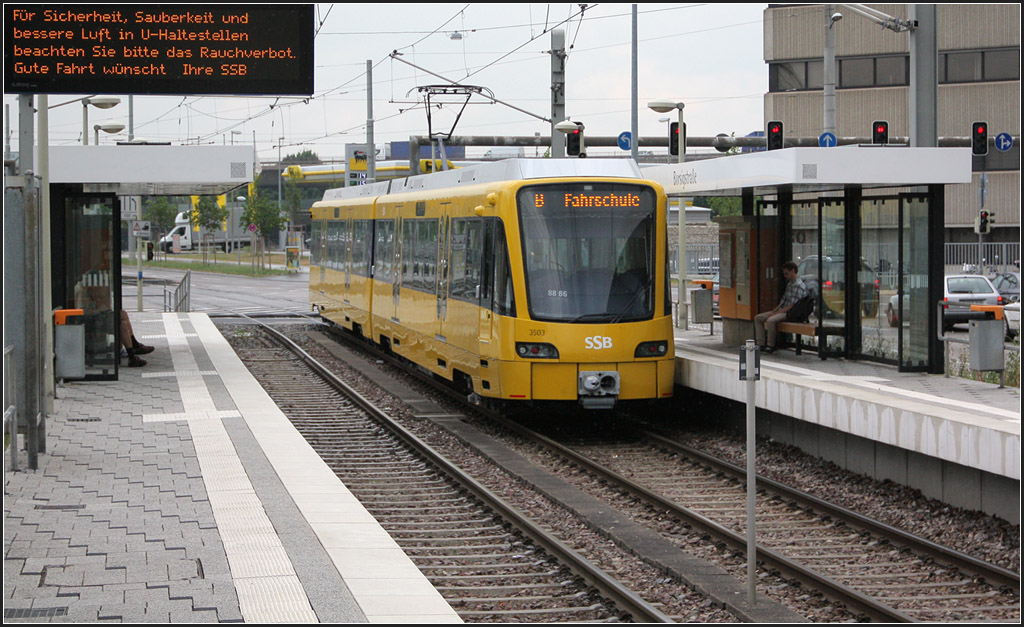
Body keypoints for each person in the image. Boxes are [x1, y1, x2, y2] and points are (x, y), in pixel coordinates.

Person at [754, 261, 809, 353]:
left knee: (771, 320)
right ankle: (760, 343)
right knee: (758, 318)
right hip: (781, 310)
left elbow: (792, 306)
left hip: (789, 313)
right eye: (784, 274)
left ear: (793, 271)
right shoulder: (790, 284)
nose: (785, 276)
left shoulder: (799, 286)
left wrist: (775, 313)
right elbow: (783, 301)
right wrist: (774, 311)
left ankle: (770, 345)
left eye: (786, 273)